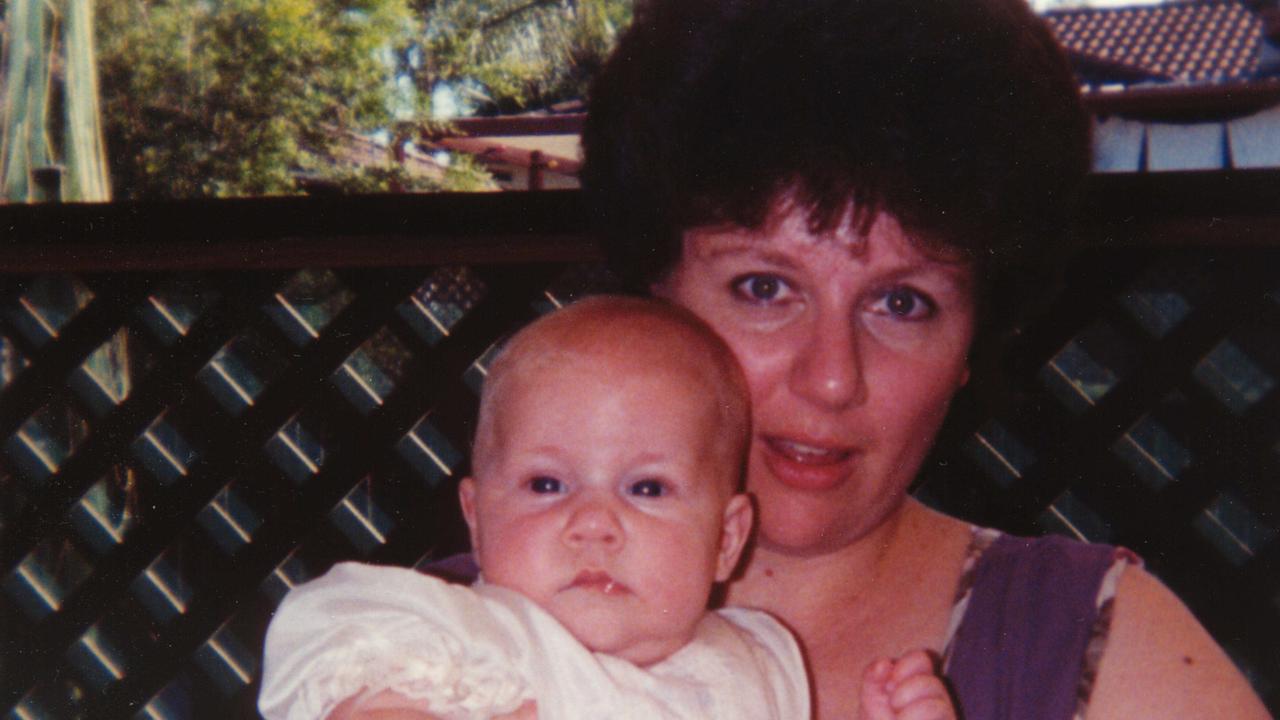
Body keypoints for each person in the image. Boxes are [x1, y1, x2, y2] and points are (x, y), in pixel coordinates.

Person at [577, 1, 1275, 719]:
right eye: (765, 288)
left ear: (973, 339)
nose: (831, 378)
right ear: (652, 296)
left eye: (902, 304)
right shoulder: (469, 637)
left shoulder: (1094, 647)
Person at [259, 297, 957, 720]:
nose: (593, 523)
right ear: (475, 516)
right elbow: (331, 628)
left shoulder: (756, 665)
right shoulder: (473, 636)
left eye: (646, 489)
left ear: (727, 537)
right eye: (546, 485)